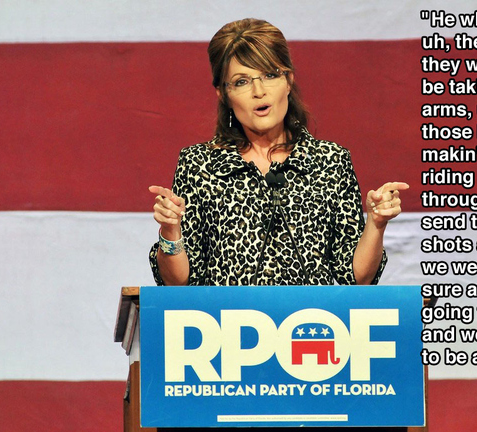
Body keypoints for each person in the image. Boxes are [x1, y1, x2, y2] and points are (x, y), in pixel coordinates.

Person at [149, 18, 408, 286]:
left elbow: (355, 278)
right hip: (229, 314)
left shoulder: (331, 162)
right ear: (223, 94)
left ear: (288, 80)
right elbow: (178, 284)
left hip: (311, 313)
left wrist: (376, 223)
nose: (259, 91)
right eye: (241, 81)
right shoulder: (199, 165)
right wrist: (170, 232)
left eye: (270, 75)